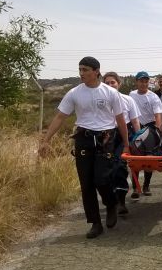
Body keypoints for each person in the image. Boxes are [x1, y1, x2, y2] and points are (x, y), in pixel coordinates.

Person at [38, 56, 129, 239]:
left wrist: (126, 143)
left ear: (96, 71)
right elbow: (60, 117)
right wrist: (46, 140)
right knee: (86, 183)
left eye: (85, 70)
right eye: (80, 69)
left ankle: (111, 204)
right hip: (83, 139)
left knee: (102, 179)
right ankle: (95, 223)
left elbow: (120, 119)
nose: (82, 73)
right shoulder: (74, 93)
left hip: (105, 138)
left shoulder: (110, 93)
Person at [103, 71, 141, 216]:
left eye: (113, 82)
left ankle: (121, 201)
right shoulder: (101, 101)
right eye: (107, 83)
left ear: (119, 84)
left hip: (124, 135)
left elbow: (135, 121)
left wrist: (139, 141)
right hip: (106, 135)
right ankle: (111, 200)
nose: (110, 85)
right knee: (107, 168)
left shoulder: (128, 100)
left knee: (119, 165)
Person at [129, 70, 162, 197]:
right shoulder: (131, 95)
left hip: (149, 129)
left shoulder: (153, 97)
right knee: (135, 159)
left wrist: (158, 130)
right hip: (135, 128)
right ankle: (135, 188)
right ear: (136, 82)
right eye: (141, 81)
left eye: (146, 81)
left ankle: (146, 186)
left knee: (149, 158)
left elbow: (158, 115)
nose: (143, 84)